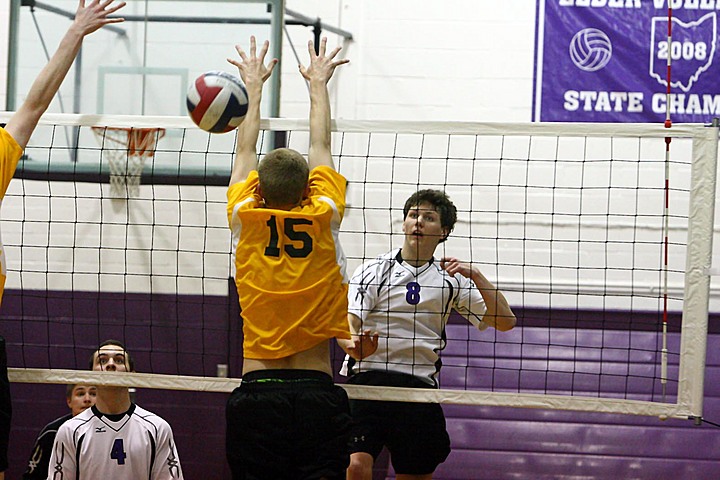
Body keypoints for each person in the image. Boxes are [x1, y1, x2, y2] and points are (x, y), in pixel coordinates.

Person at [224, 36, 376, 480]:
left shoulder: (244, 217)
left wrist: (253, 89)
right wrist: (318, 83)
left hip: (259, 392)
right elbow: (321, 142)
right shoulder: (325, 215)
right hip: (315, 392)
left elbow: (243, 152)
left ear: (259, 188)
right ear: (309, 186)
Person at [342, 189, 517, 480]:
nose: (418, 222)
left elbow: (505, 322)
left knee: (416, 474)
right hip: (368, 379)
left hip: (418, 387)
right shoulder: (374, 269)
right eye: (413, 215)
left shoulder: (451, 279)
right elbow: (352, 320)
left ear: (444, 231)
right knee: (356, 466)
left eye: (428, 217)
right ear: (404, 224)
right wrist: (355, 343)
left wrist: (476, 275)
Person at [48, 340, 183, 479]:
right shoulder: (71, 430)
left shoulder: (157, 428)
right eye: (102, 360)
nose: (110, 364)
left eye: (119, 360)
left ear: (132, 374)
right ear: (90, 375)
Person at [22, 384, 97, 480]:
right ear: (69, 401)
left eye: (93, 394)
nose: (87, 399)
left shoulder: (109, 431)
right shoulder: (52, 432)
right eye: (80, 394)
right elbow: (32, 476)